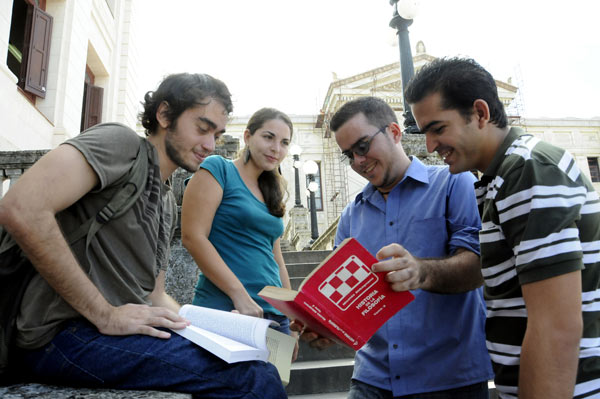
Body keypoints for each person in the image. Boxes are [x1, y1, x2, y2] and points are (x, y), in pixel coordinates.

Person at [0, 73, 287, 398]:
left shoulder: (166, 201)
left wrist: (223, 330)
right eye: (202, 128)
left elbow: (155, 295)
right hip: (61, 334)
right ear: (164, 115)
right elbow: (21, 208)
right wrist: (104, 314)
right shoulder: (121, 143)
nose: (210, 145)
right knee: (252, 378)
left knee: (254, 358)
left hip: (113, 333)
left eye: (217, 134)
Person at [403, 57, 600, 398]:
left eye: (438, 129)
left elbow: (556, 328)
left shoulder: (527, 171)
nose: (430, 147)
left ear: (480, 113)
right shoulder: (500, 178)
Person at [328, 96, 493, 398]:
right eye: (348, 155)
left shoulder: (455, 183)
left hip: (449, 378)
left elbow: (480, 266)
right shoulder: (351, 214)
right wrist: (323, 322)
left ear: (394, 131)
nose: (358, 162)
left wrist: (421, 272)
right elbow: (347, 300)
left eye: (363, 147)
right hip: (372, 379)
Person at [181, 108, 296, 339]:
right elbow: (193, 236)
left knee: (274, 377)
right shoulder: (219, 169)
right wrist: (240, 295)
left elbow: (277, 261)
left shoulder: (270, 192)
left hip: (274, 316)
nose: (276, 148)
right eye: (268, 137)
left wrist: (291, 318)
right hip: (228, 308)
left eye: (284, 142)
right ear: (247, 137)